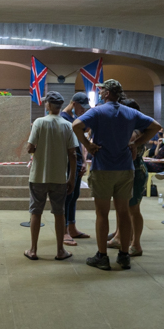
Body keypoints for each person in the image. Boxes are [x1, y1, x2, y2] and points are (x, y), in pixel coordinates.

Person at [73, 79, 160, 271]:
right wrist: (135, 144)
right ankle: (124, 256)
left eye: (102, 91)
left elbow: (76, 125)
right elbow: (155, 126)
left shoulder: (97, 111)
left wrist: (88, 145)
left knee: (102, 214)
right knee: (124, 213)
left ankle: (102, 256)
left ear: (105, 94)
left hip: (103, 168)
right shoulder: (131, 112)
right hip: (125, 169)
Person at [25, 92, 77, 261]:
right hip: (59, 178)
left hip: (38, 176)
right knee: (59, 213)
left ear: (47, 105)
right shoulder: (67, 125)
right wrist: (72, 178)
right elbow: (73, 154)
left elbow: (30, 148)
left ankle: (33, 249)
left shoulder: (39, 123)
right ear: (60, 106)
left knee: (36, 212)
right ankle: (60, 250)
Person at [107, 98, 149, 256]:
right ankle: (120, 236)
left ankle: (136, 244)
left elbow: (128, 140)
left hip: (135, 170)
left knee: (133, 209)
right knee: (121, 207)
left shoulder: (138, 129)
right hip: (124, 169)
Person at [59, 92, 91, 245]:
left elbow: (81, 144)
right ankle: (64, 231)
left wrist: (84, 162)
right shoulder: (63, 119)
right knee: (67, 196)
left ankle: (72, 227)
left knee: (75, 195)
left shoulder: (74, 120)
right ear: (74, 103)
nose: (83, 111)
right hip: (67, 162)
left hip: (77, 162)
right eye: (81, 107)